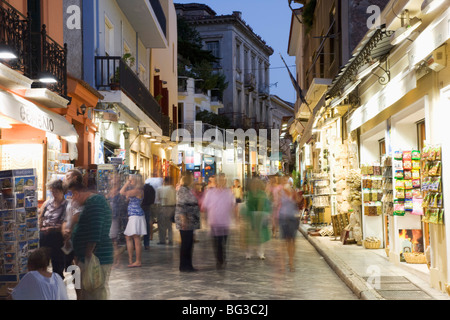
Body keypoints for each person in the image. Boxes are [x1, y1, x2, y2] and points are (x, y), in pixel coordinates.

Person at [68, 180, 114, 300]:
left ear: (77, 194)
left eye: (72, 196)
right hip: (91, 257)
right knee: (88, 292)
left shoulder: (95, 203)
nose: (73, 201)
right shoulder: (91, 203)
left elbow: (95, 230)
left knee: (94, 293)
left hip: (96, 258)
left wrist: (88, 255)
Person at [201, 173, 235, 269]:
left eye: (222, 181)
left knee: (222, 242)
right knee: (218, 242)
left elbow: (232, 204)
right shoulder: (211, 192)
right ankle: (220, 259)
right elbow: (205, 205)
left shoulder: (228, 192)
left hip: (223, 221)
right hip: (215, 221)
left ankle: (221, 258)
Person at [38, 179, 67, 279]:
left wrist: (52, 228)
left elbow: (66, 223)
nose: (54, 194)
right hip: (44, 237)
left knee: (58, 266)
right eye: (52, 191)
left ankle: (58, 288)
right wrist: (41, 225)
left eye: (56, 192)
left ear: (63, 191)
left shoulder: (66, 205)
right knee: (42, 263)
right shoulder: (47, 203)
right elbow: (41, 217)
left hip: (57, 238)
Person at [175, 173, 201, 272]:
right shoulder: (182, 190)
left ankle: (188, 265)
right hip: (186, 221)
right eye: (192, 179)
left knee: (189, 243)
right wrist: (183, 219)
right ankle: (184, 266)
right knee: (186, 244)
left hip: (190, 221)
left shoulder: (187, 190)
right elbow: (181, 205)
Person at [120, 174, 147, 268]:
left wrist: (127, 183)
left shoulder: (137, 190)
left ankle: (137, 261)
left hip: (136, 215)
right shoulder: (136, 190)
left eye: (132, 180)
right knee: (129, 236)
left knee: (136, 238)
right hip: (134, 215)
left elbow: (122, 192)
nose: (130, 181)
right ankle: (131, 260)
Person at [242, 178, 272, 260]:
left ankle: (261, 253)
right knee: (250, 236)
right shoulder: (249, 194)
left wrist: (267, 214)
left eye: (257, 183)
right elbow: (247, 204)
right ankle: (249, 253)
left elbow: (266, 204)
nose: (255, 185)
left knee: (260, 235)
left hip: (261, 216)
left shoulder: (262, 194)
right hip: (252, 216)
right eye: (254, 183)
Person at [278, 177, 301, 272]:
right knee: (285, 241)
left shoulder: (293, 191)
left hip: (293, 217)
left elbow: (298, 201)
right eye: (283, 181)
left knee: (292, 241)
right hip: (284, 217)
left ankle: (291, 262)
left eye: (286, 181)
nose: (285, 182)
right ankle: (283, 265)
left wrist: (295, 195)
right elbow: (278, 202)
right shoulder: (280, 192)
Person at [107, 174, 127, 266]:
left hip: (115, 217)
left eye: (112, 178)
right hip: (111, 216)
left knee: (114, 240)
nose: (111, 180)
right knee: (113, 241)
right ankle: (115, 260)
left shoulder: (118, 191)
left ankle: (116, 261)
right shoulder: (112, 190)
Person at [155, 176, 176, 245]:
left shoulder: (160, 189)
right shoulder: (173, 189)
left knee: (161, 225)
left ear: (164, 181)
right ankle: (170, 240)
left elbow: (157, 199)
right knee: (169, 225)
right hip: (172, 208)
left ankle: (162, 240)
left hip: (162, 208)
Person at [141, 180, 156, 250]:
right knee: (147, 225)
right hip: (147, 207)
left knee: (138, 226)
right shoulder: (151, 188)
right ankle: (146, 244)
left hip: (140, 208)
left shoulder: (140, 189)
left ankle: (135, 243)